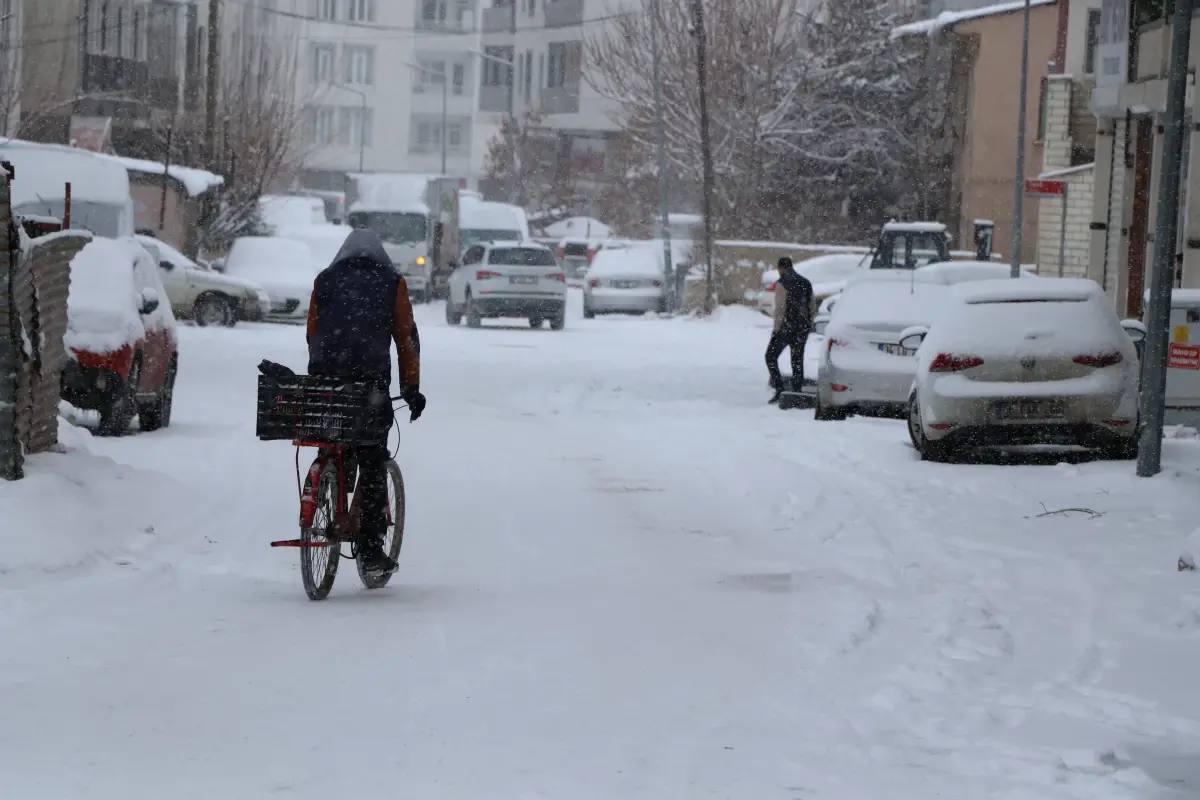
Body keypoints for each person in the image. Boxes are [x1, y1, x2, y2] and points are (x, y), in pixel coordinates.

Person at [306, 229, 427, 576]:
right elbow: (406, 338)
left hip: (328, 381)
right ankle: (371, 548)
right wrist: (411, 387)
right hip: (368, 383)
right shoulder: (391, 282)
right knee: (373, 457)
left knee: (335, 439)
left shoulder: (324, 280)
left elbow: (313, 331)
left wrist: (321, 372)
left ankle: (330, 485)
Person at [765, 256, 814, 404]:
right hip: (801, 328)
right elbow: (812, 306)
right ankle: (797, 391)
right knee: (797, 360)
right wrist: (807, 325)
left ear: (781, 268)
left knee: (770, 357)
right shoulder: (806, 282)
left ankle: (780, 389)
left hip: (786, 328)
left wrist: (776, 329)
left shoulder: (782, 284)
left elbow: (780, 309)